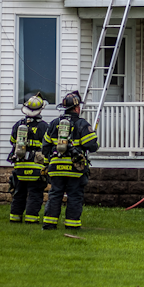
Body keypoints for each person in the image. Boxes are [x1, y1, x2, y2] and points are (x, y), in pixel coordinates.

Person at [40, 90, 99, 231]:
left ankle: (49, 224)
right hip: (75, 169)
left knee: (55, 194)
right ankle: (72, 225)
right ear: (77, 108)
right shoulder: (82, 124)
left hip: (55, 167)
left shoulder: (54, 124)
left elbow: (45, 147)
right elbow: (91, 146)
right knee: (74, 196)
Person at [8, 94, 49, 224]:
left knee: (19, 193)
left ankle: (15, 218)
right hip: (36, 167)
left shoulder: (18, 125)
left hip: (19, 166)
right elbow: (47, 145)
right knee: (35, 193)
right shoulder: (44, 127)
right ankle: (31, 220)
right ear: (40, 110)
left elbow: (12, 142)